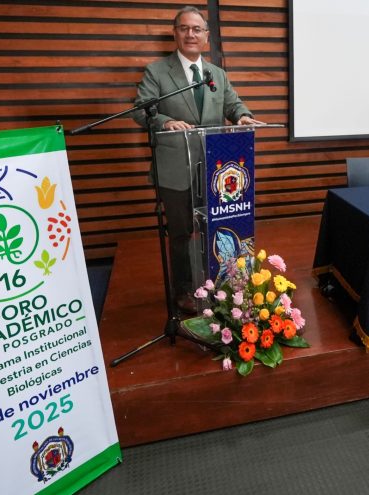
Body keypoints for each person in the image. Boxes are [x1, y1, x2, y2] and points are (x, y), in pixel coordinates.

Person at [132, 6, 265, 312]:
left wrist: (242, 116)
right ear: (174, 33)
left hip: (215, 170)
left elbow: (232, 103)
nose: (190, 34)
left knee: (214, 229)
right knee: (180, 233)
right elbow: (142, 109)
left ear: (206, 36)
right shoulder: (157, 71)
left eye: (197, 29)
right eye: (184, 28)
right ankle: (182, 292)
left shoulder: (216, 74)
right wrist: (165, 121)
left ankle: (218, 285)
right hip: (175, 169)